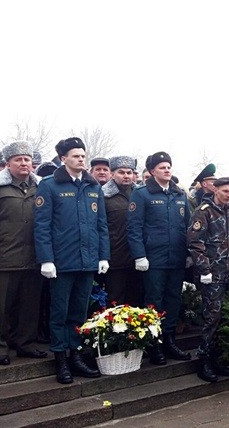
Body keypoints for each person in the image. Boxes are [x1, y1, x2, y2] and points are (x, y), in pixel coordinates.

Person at [34, 137, 109, 384]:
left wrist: (103, 256)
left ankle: (75, 355)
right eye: (75, 155)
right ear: (63, 158)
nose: (81, 159)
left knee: (79, 311)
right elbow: (42, 225)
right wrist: (46, 259)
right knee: (59, 312)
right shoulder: (49, 185)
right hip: (61, 262)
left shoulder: (92, 186)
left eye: (83, 155)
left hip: (87, 261)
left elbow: (101, 226)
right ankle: (61, 359)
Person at [0, 141, 46, 365]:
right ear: (8, 163)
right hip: (3, 256)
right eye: (18, 159)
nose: (24, 163)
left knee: (29, 305)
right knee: (0, 306)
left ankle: (25, 344)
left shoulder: (41, 187)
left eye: (27, 159)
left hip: (34, 257)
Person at [127, 152, 192, 363]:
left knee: (174, 298)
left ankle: (169, 339)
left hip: (176, 258)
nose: (167, 170)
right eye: (162, 167)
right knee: (154, 300)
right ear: (152, 171)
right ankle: (154, 344)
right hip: (153, 258)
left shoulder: (179, 194)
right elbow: (134, 227)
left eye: (169, 166)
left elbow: (188, 227)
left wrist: (189, 253)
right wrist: (139, 255)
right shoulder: (142, 194)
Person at [188, 177, 229, 382]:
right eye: (225, 191)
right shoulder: (204, 211)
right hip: (211, 275)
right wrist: (204, 269)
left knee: (225, 316)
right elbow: (195, 243)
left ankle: (219, 358)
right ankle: (204, 360)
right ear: (215, 190)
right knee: (212, 317)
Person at [102, 156, 143, 307]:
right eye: (121, 172)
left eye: (129, 172)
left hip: (138, 256)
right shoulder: (104, 195)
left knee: (136, 299)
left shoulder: (140, 194)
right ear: (112, 174)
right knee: (115, 299)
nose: (126, 176)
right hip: (115, 256)